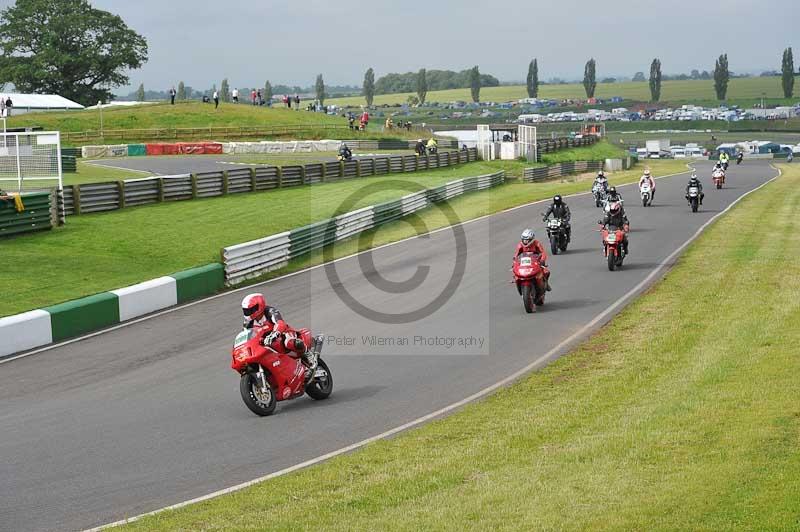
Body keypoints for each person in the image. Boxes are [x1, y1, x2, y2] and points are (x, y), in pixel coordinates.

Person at [241, 293, 318, 369]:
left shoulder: (270, 311)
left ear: (259, 306)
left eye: (250, 310)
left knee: (289, 342)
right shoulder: (248, 322)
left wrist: (275, 333)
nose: (248, 313)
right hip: (266, 342)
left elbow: (280, 323)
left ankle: (307, 353)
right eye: (246, 311)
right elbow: (246, 336)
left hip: (283, 333)